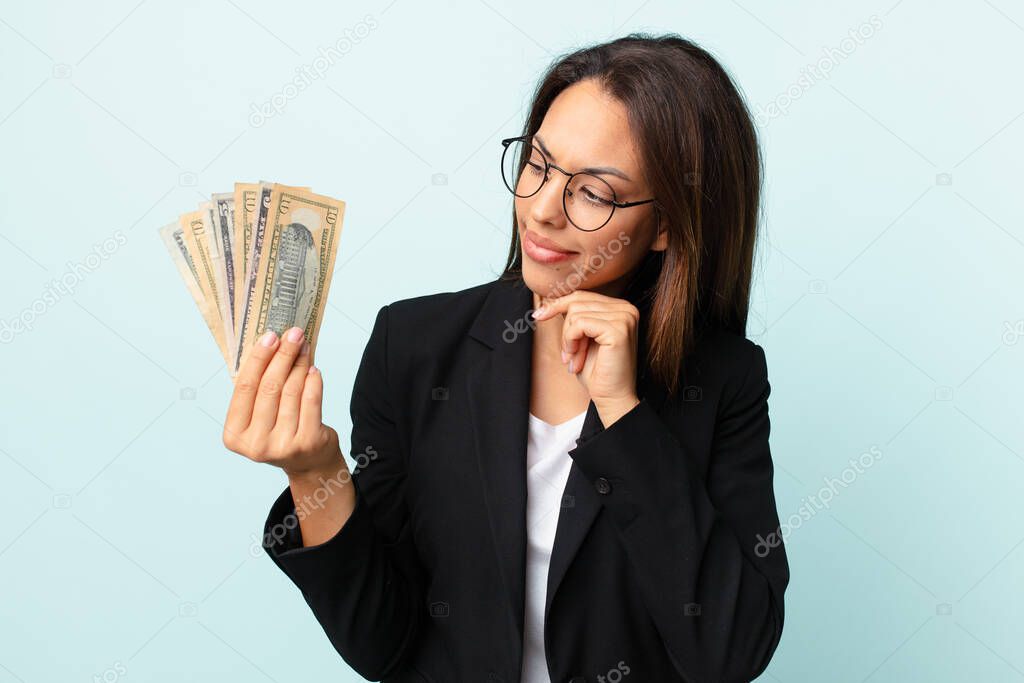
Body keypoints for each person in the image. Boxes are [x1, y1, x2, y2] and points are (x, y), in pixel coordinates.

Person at [222, 32, 790, 683]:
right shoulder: (413, 347)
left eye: (594, 193)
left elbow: (730, 652)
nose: (542, 209)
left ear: (668, 225)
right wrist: (313, 468)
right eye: (539, 164)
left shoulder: (724, 381)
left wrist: (624, 414)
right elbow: (381, 642)